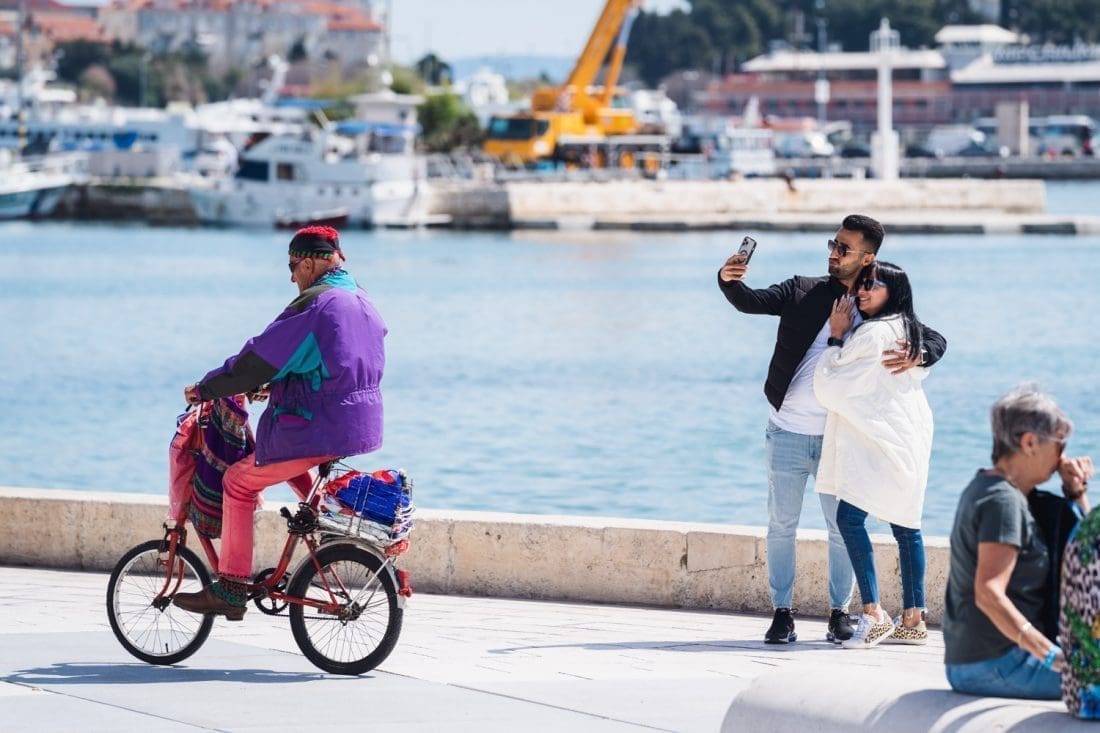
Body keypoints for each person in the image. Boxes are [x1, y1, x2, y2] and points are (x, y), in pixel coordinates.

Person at [717, 214, 947, 644]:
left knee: (841, 530)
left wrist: (920, 355)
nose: (834, 253)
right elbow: (751, 301)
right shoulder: (802, 289)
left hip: (839, 438)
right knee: (781, 526)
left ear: (867, 257)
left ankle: (839, 612)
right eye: (833, 244)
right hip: (786, 431)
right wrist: (728, 281)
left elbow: (931, 337)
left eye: (844, 248)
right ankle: (782, 613)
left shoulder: (874, 304)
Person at [173, 225, 387, 619]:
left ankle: (232, 587)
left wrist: (206, 389)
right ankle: (324, 546)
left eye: (292, 267)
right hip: (357, 424)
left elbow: (257, 359)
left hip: (318, 426)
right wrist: (274, 387)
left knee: (237, 482)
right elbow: (332, 366)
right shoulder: (361, 300)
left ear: (308, 263)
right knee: (293, 471)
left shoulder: (315, 305)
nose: (291, 278)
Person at [943, 385, 1093, 699]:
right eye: (1059, 444)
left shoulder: (995, 489)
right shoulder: (1003, 501)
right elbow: (988, 593)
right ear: (1029, 443)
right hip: (996, 663)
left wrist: (1076, 492)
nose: (1063, 457)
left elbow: (1090, 556)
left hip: (983, 661)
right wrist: (1053, 658)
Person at [814, 261, 934, 649]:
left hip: (881, 440)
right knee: (906, 523)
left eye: (873, 285)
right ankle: (913, 620)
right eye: (862, 285)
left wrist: (835, 338)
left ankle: (874, 613)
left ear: (892, 292)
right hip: (910, 435)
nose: (862, 291)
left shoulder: (873, 333)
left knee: (849, 518)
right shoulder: (907, 328)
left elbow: (831, 388)